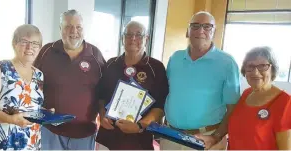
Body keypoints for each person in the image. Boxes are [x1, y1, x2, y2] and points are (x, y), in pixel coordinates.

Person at [162, 11, 240, 150]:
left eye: (207, 26)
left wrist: (215, 137)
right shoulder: (175, 58)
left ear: (214, 31)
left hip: (206, 140)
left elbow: (233, 109)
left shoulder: (227, 63)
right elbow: (168, 93)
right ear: (188, 31)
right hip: (170, 137)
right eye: (195, 26)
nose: (201, 30)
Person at [33, 9, 105, 150]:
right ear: (60, 28)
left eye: (78, 27)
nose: (74, 31)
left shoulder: (95, 55)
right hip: (50, 131)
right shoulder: (47, 51)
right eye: (68, 26)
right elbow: (33, 83)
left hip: (84, 133)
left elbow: (105, 91)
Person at [95, 21, 169, 150]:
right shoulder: (111, 64)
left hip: (139, 140)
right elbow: (101, 96)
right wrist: (102, 115)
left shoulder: (156, 68)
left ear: (146, 38)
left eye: (138, 35)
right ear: (122, 38)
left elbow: (160, 106)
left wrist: (140, 126)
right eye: (128, 34)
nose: (133, 38)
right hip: (108, 137)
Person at [0, 24, 44, 150]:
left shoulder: (39, 75)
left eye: (35, 43)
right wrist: (10, 119)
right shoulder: (0, 68)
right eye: (24, 41)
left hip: (32, 144)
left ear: (40, 47)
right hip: (2, 144)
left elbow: (29, 106)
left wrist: (45, 113)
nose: (30, 47)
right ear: (14, 43)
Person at [228, 47, 291, 150]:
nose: (255, 72)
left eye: (262, 66)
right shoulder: (246, 93)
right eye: (250, 66)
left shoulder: (285, 102)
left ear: (273, 69)